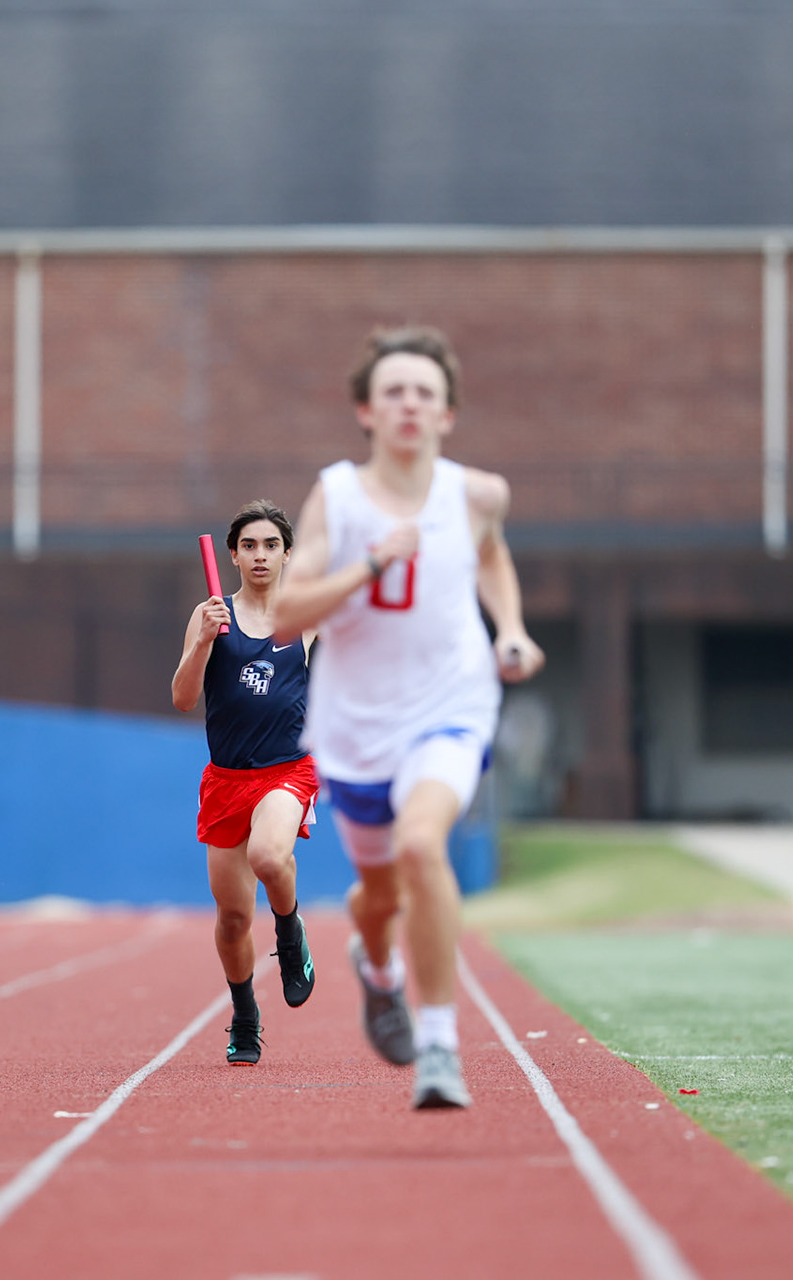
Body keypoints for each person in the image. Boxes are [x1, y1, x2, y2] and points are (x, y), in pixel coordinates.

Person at [274, 326, 543, 1110]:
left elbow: (490, 552)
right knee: (381, 895)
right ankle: (378, 965)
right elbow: (286, 615)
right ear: (365, 409)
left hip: (452, 703)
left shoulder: (477, 493)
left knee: (424, 842)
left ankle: (437, 1047)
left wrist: (512, 627)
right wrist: (369, 566)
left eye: (425, 392)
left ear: (448, 413)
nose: (409, 405)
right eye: (393, 391)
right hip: (357, 726)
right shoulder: (338, 497)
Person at [171, 498, 320, 1065]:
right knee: (233, 919)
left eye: (272, 546)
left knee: (268, 855)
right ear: (232, 555)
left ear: (287, 555)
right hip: (226, 780)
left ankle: (289, 929)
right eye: (250, 546)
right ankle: (245, 1016)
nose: (261, 556)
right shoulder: (211, 615)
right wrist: (204, 642)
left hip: (287, 771)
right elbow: (184, 698)